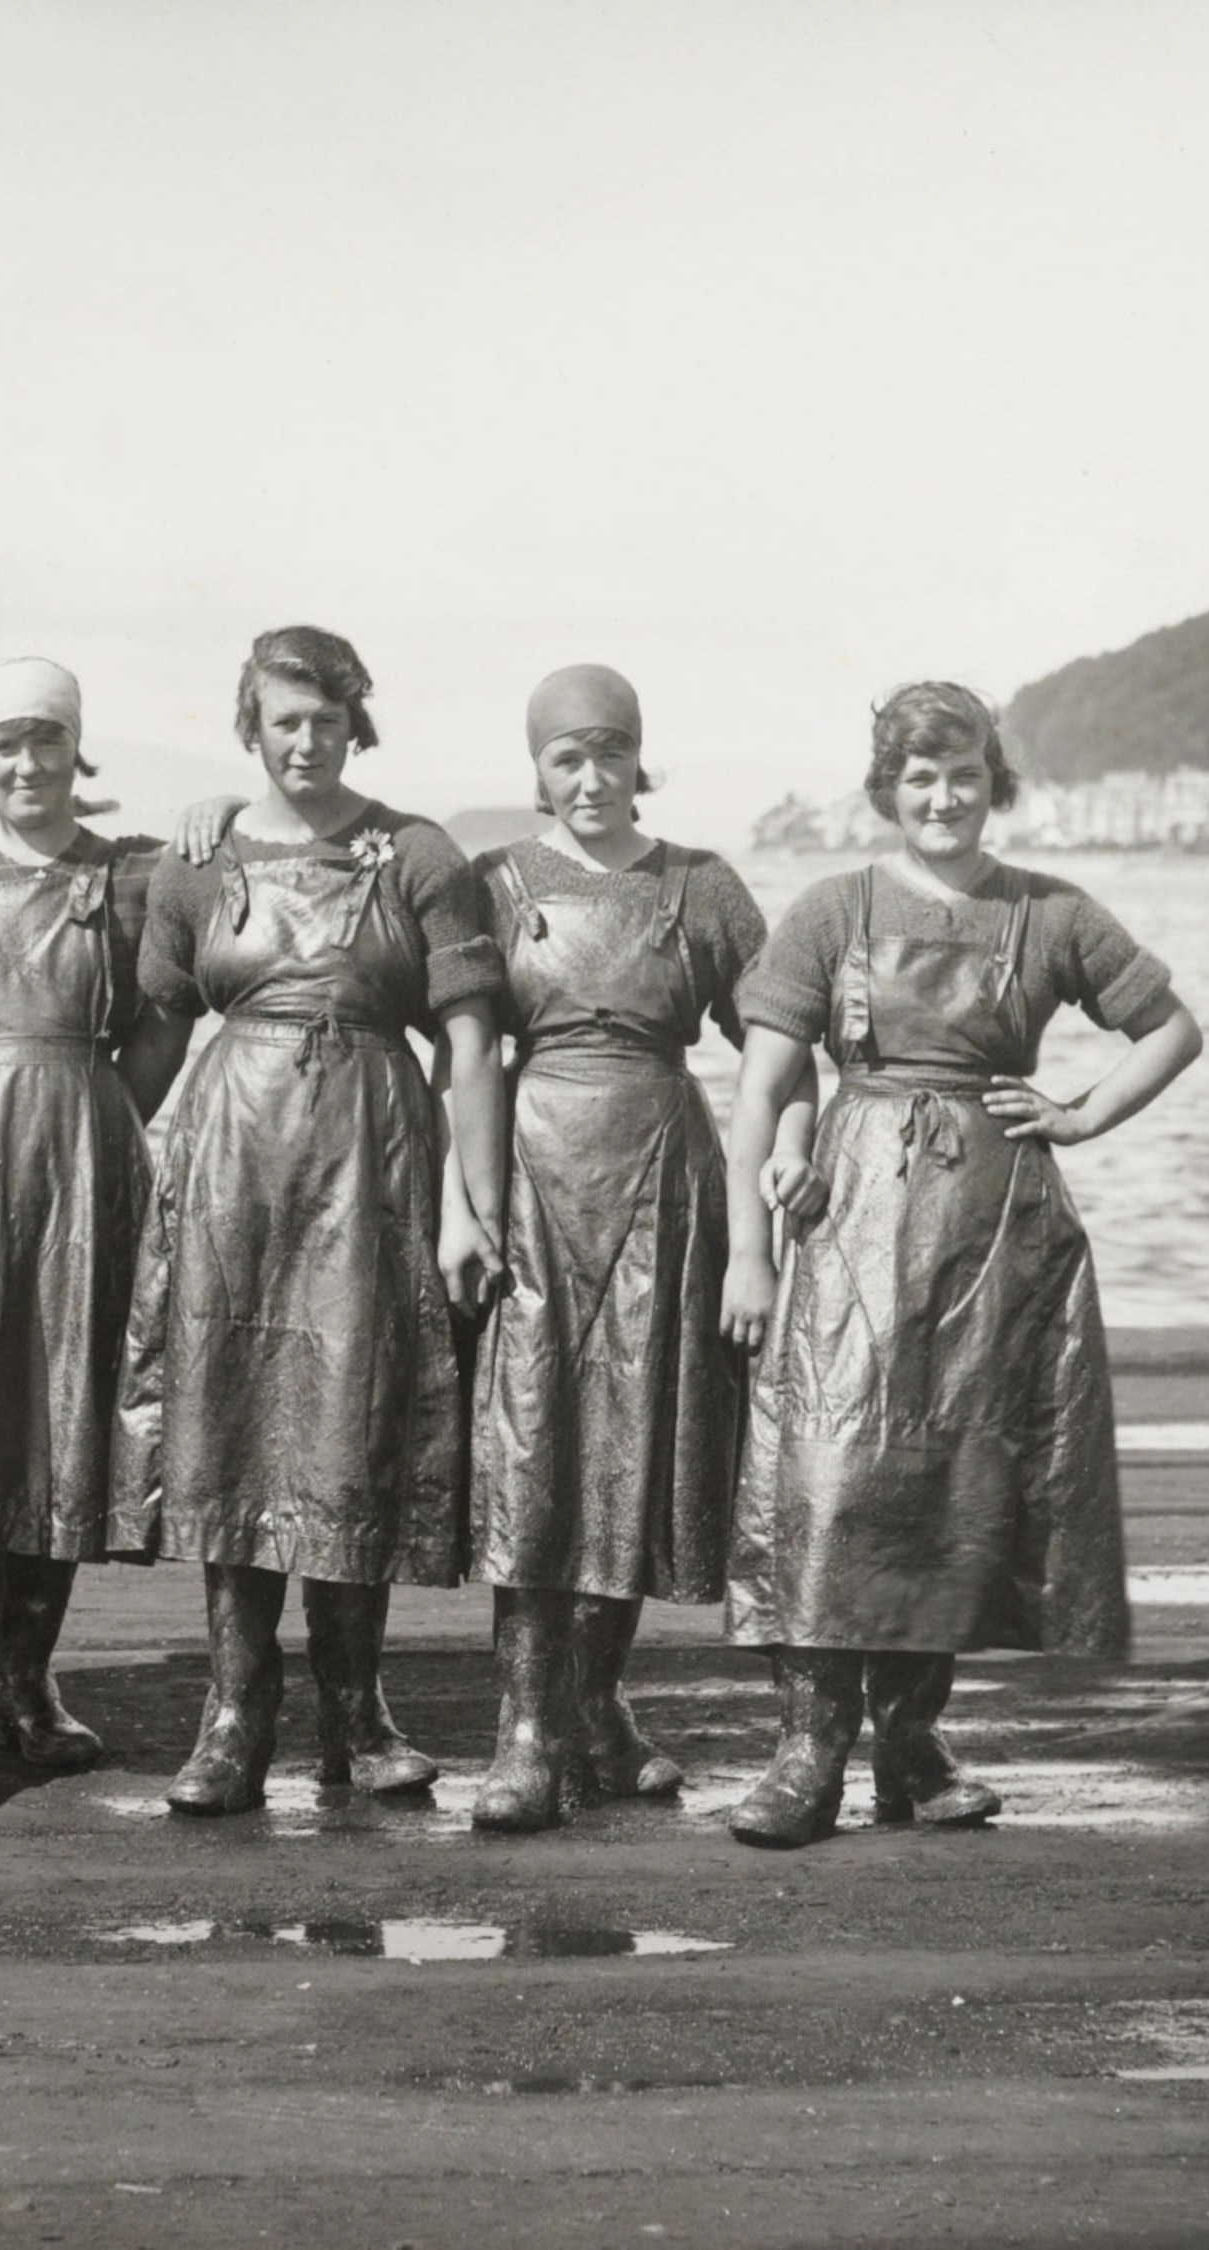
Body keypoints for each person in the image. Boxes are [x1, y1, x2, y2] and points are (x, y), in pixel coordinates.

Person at [718, 681, 1204, 1847]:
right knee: (829, 1477)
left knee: (957, 1481)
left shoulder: (1051, 913)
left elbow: (1174, 1032)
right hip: (846, 1223)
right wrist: (749, 1246)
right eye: (920, 779)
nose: (944, 799)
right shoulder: (832, 910)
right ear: (887, 791)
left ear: (995, 788)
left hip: (995, 1234)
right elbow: (764, 1085)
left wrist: (1080, 1117)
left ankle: (913, 1747)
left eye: (965, 778)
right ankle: (806, 1749)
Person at [112, 626, 507, 1816]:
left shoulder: (420, 854)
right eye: (283, 720)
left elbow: (476, 1046)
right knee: (229, 1422)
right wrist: (115, 1173)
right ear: (251, 727)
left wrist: (471, 1209)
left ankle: (357, 1709)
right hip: (231, 1163)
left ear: (356, 722)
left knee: (353, 1419)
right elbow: (157, 1038)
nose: (306, 740)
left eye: (326, 718)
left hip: (372, 1161)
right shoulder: (197, 861)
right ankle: (235, 1711)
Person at [458, 663, 799, 1832]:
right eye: (566, 757)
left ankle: (594, 1708)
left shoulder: (701, 887)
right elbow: (456, 1052)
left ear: (637, 757)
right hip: (535, 1172)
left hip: (665, 1171)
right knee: (530, 1440)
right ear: (538, 771)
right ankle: (522, 1732)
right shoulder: (495, 883)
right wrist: (470, 1200)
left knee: (634, 1439)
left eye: (610, 752)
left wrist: (783, 1170)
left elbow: (776, 1046)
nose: (590, 777)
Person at [0, 659, 195, 1806]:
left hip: (88, 1155)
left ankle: (27, 1679)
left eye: (46, 742)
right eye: (4, 744)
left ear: (77, 750)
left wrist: (104, 1113)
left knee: (67, 1415)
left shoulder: (135, 872)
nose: (25, 765)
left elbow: (168, 1014)